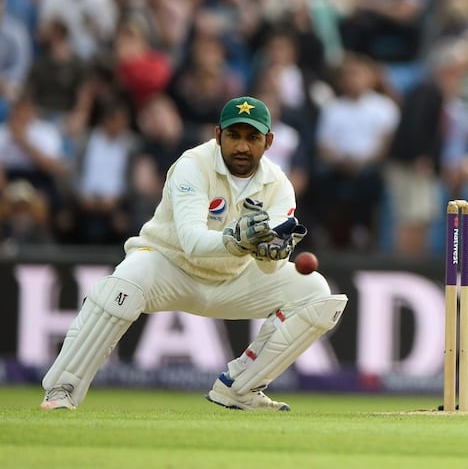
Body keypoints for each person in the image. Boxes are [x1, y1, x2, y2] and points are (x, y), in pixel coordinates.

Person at [39, 96, 348, 411]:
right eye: (234, 136)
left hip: (233, 279)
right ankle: (63, 389)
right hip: (169, 266)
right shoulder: (193, 164)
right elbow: (192, 242)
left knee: (317, 294)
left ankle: (240, 388)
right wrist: (237, 240)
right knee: (122, 287)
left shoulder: (278, 185)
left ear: (268, 141)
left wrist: (273, 254)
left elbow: (270, 268)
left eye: (252, 138)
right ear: (218, 136)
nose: (242, 147)